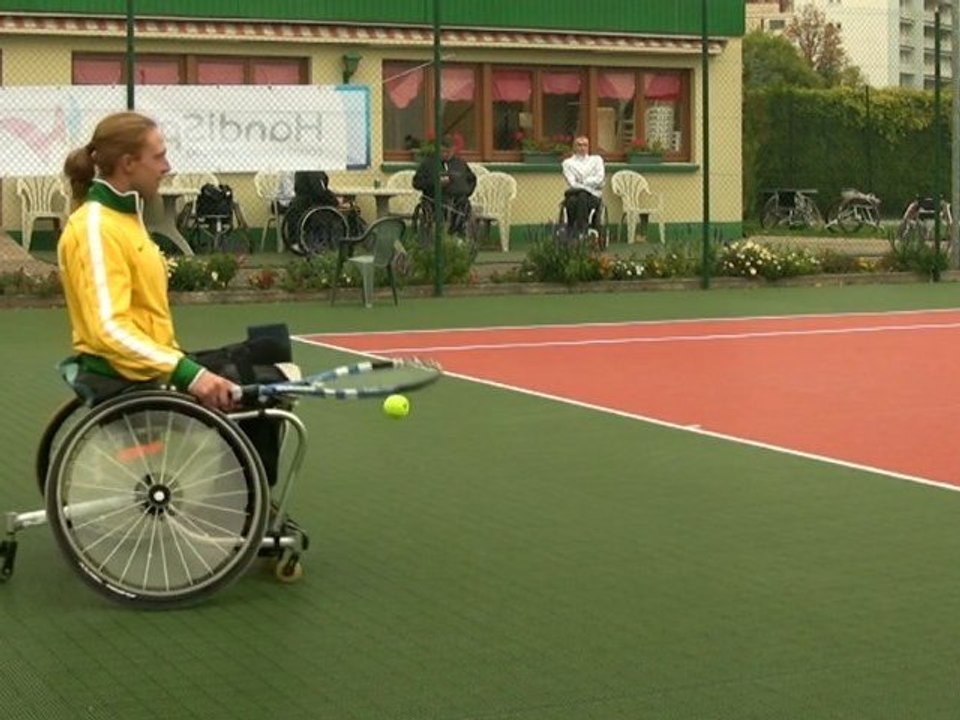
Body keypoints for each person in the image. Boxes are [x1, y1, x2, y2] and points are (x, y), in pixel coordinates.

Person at [59, 111, 287, 484]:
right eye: (159, 156)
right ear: (129, 164)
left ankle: (242, 501)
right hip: (124, 377)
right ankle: (240, 512)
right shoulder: (96, 228)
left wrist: (180, 365)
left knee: (269, 347)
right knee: (261, 387)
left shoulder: (123, 217)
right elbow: (107, 328)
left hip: (149, 364)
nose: (167, 166)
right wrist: (189, 374)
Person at [412, 135, 476, 236]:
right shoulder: (428, 164)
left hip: (460, 200)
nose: (445, 154)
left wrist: (467, 191)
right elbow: (417, 183)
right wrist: (435, 183)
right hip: (436, 201)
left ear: (453, 150)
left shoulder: (460, 163)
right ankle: (443, 235)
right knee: (445, 206)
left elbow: (471, 179)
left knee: (464, 206)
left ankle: (459, 234)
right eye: (443, 151)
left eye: (448, 151)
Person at [561, 135, 605, 238]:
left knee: (582, 195)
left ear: (588, 147)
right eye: (579, 145)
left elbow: (600, 178)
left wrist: (582, 181)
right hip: (575, 195)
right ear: (574, 147)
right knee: (576, 198)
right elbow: (572, 183)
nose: (582, 148)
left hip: (593, 197)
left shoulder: (596, 160)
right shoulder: (568, 163)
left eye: (585, 145)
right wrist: (590, 183)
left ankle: (578, 230)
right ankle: (579, 230)